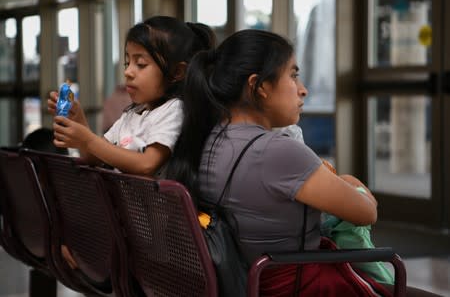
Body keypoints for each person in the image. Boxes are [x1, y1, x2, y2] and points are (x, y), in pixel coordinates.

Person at [167, 29, 440, 296]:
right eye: (293, 76)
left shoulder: (207, 140)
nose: (303, 90)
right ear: (259, 86)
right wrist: (349, 182)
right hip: (300, 284)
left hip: (250, 281)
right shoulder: (278, 151)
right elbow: (366, 213)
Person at [48, 16, 215, 177]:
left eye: (140, 64)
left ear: (177, 72)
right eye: (127, 63)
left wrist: (88, 140)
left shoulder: (174, 109)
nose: (127, 72)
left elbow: (146, 165)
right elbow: (96, 158)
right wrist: (78, 120)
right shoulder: (131, 114)